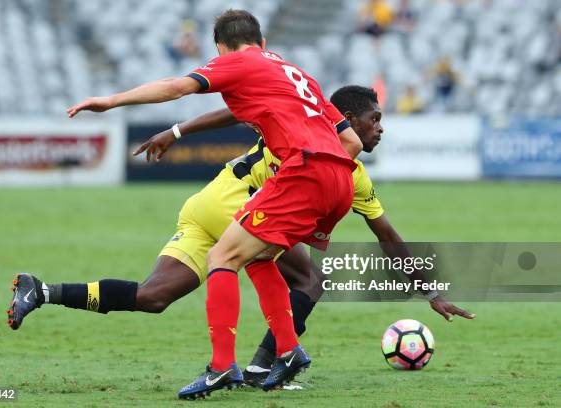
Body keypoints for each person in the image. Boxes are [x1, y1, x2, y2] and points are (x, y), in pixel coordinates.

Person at [64, 9, 364, 398]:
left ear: (220, 48)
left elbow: (176, 87)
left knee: (221, 257)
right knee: (258, 257)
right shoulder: (298, 75)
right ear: (264, 42)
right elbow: (353, 143)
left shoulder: (237, 62)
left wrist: (111, 100)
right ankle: (288, 351)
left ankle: (221, 367)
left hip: (303, 173)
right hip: (340, 179)